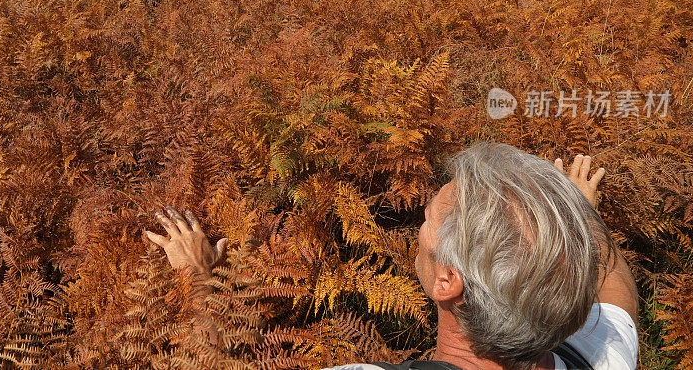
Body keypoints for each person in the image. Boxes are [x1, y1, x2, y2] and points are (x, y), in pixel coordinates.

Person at [145, 142, 639, 370]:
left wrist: (200, 282)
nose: (420, 220)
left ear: (448, 281)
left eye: (427, 218)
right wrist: (576, 219)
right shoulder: (600, 355)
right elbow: (616, 296)